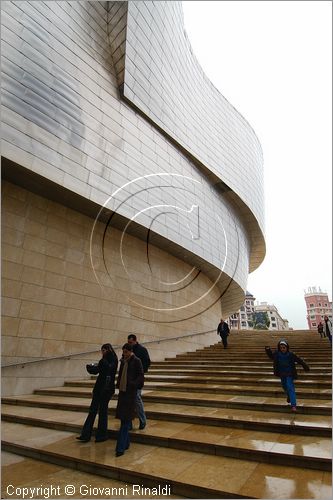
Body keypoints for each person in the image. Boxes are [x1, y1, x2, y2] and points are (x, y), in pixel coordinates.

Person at [76, 343, 118, 442]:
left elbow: (110, 369)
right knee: (92, 411)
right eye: (102, 350)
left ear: (108, 350)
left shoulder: (113, 359)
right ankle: (86, 434)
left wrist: (102, 362)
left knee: (102, 411)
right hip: (99, 388)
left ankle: (102, 435)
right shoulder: (104, 359)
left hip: (107, 389)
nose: (102, 352)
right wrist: (90, 368)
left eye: (104, 350)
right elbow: (97, 370)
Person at [115, 343, 144, 457]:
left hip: (131, 394)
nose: (124, 354)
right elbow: (121, 375)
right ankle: (126, 443)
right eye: (123, 352)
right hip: (123, 393)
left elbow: (141, 376)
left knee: (125, 422)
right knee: (124, 421)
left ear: (131, 351)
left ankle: (120, 447)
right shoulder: (123, 361)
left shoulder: (137, 361)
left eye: (126, 352)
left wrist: (132, 384)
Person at [265, 339, 310, 412]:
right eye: (281, 348)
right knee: (284, 386)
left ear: (287, 348)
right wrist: (268, 350)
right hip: (282, 374)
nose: (282, 349)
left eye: (284, 348)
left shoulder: (290, 354)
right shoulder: (277, 354)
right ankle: (289, 395)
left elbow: (299, 360)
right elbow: (271, 356)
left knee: (290, 387)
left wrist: (305, 366)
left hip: (289, 374)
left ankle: (293, 405)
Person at [127, 333, 150, 429]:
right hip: (129, 379)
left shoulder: (142, 350)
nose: (129, 344)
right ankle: (129, 423)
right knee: (129, 400)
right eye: (128, 342)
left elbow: (147, 362)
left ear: (135, 340)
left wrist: (140, 372)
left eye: (131, 342)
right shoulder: (127, 350)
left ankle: (143, 420)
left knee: (137, 399)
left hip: (137, 379)